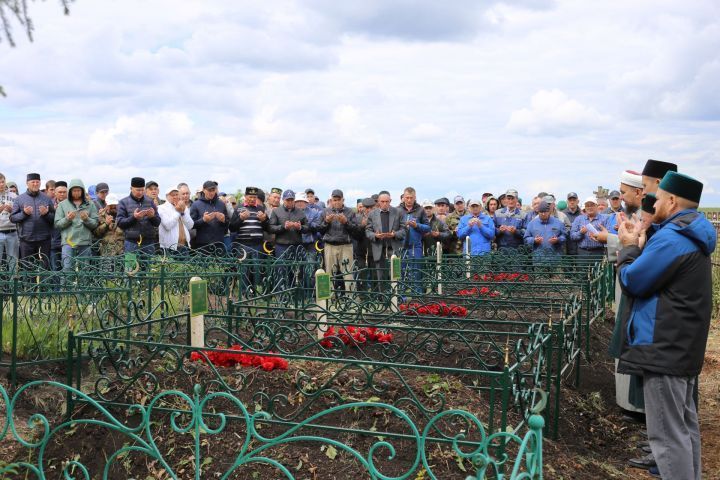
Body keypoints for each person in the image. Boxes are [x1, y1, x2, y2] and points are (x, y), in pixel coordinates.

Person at [617, 171, 715, 480]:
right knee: (683, 428)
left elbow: (634, 280)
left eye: (657, 197)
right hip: (681, 346)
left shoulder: (673, 239)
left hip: (663, 347)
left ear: (672, 201)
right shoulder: (690, 234)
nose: (652, 202)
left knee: (667, 437)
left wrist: (629, 248)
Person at [10, 173, 55, 268]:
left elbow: (54, 218)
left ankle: (43, 283)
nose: (35, 184)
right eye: (33, 182)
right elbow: (12, 218)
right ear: (27, 183)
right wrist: (24, 214)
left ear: (40, 183)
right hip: (26, 240)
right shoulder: (19, 199)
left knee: (45, 267)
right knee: (28, 268)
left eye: (37, 182)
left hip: (44, 240)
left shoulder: (46, 198)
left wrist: (46, 214)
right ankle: (30, 283)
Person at [318, 189, 360, 292]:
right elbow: (320, 230)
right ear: (331, 200)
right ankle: (328, 298)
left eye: (338, 200)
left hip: (345, 245)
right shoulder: (325, 212)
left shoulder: (350, 212)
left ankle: (351, 297)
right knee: (329, 273)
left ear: (343, 200)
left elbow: (355, 230)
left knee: (348, 273)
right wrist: (326, 222)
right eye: (334, 200)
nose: (336, 202)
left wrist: (346, 222)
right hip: (329, 245)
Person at [54, 179, 99, 272]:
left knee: (85, 270)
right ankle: (66, 287)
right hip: (68, 242)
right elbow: (57, 224)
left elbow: (95, 224)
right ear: (70, 191)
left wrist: (87, 219)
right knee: (67, 269)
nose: (76, 193)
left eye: (79, 190)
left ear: (82, 191)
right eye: (74, 190)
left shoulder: (90, 204)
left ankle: (83, 287)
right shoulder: (62, 204)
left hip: (84, 242)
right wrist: (68, 219)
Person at [365, 192, 405, 289]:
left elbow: (404, 230)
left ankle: (395, 297)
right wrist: (375, 235)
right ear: (378, 202)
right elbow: (368, 231)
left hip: (393, 247)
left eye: (387, 201)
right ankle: (382, 298)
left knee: (395, 275)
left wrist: (394, 234)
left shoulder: (398, 212)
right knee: (380, 275)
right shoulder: (372, 214)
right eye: (382, 201)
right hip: (379, 247)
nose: (385, 204)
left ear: (390, 201)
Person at [116, 177, 160, 255]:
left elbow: (157, 223)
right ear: (131, 188)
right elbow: (120, 223)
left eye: (142, 190)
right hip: (131, 242)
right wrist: (134, 217)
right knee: (130, 267)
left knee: (147, 266)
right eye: (138, 190)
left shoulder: (150, 201)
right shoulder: (123, 202)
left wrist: (152, 217)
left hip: (148, 243)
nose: (140, 192)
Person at [267, 190, 309, 259]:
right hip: (281, 246)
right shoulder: (276, 211)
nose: (290, 202)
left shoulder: (300, 212)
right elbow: (271, 228)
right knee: (281, 268)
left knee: (295, 268)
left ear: (294, 200)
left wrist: (300, 227)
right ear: (283, 200)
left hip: (296, 246)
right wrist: (283, 227)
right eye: (287, 200)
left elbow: (307, 227)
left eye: (291, 200)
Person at [189, 180, 229, 253]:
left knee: (220, 264)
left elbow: (227, 225)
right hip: (202, 245)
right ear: (204, 190)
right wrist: (203, 220)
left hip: (219, 244)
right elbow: (191, 225)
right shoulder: (196, 204)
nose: (211, 193)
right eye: (209, 190)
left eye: (213, 190)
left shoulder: (221, 204)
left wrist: (223, 220)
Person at [158, 186, 193, 255]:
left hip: (184, 245)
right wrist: (178, 212)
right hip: (169, 247)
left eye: (177, 194)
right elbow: (167, 225)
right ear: (167, 196)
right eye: (172, 195)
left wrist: (183, 213)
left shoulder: (184, 207)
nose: (175, 197)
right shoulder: (161, 208)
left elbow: (190, 226)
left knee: (186, 266)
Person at [0, 172, 19, 272]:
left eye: (2, 182)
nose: (1, 184)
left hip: (12, 231)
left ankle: (13, 287)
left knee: (12, 262)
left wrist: (12, 210)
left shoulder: (14, 196)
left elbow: (19, 214)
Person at [48, 180, 67, 271]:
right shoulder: (48, 204)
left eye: (64, 192)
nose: (62, 194)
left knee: (67, 268)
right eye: (60, 192)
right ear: (55, 193)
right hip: (53, 241)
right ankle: (56, 286)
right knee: (55, 269)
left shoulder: (71, 204)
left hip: (68, 241)